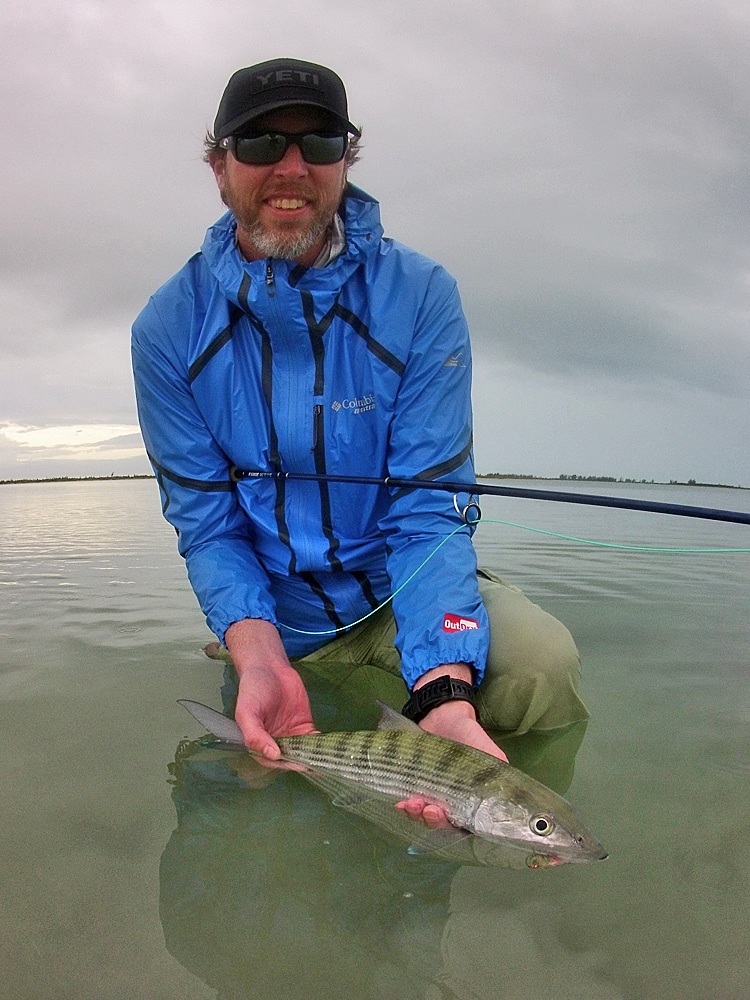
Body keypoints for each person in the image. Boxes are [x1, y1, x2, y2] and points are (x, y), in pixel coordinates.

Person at [132, 58, 588, 827]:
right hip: (277, 619)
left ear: (348, 159)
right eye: (259, 143)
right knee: (244, 799)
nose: (291, 166)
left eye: (319, 143)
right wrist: (256, 646)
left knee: (543, 668)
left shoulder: (421, 295)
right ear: (219, 165)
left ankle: (498, 827)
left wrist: (444, 690)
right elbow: (206, 522)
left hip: (397, 590)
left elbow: (429, 510)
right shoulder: (167, 329)